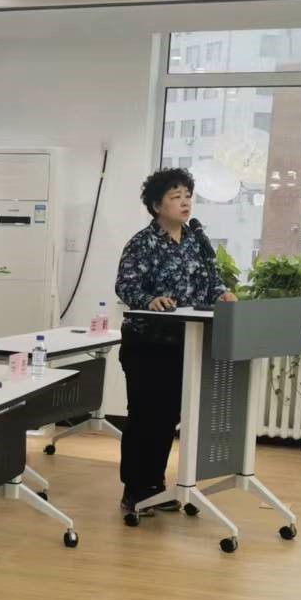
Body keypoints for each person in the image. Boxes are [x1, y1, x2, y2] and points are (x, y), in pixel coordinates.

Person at [113, 168, 237, 517]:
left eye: (187, 196)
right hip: (146, 342)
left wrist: (222, 294)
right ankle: (134, 490)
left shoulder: (197, 241)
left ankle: (155, 485)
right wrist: (149, 300)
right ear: (157, 205)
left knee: (168, 417)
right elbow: (125, 286)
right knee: (144, 415)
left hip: (186, 343)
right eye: (175, 196)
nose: (185, 202)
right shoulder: (142, 243)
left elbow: (211, 281)